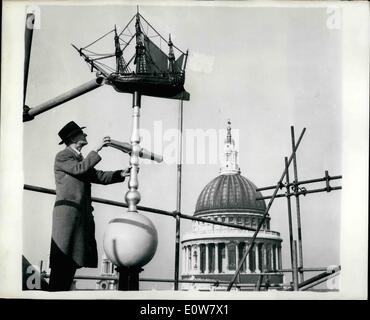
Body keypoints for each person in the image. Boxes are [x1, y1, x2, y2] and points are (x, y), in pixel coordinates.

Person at [48, 121, 131, 291]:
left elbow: (97, 175)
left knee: (71, 261)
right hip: (68, 217)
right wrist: (97, 149)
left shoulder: (78, 159)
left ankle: (60, 292)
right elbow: (80, 169)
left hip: (78, 216)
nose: (85, 136)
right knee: (63, 262)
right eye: (82, 134)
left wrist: (120, 174)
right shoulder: (63, 156)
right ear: (74, 138)